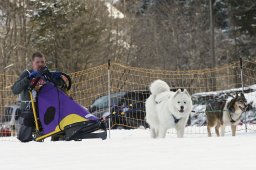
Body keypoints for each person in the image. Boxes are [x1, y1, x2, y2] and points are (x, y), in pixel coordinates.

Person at [11, 52, 68, 142]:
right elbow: (15, 90)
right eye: (38, 62)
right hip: (29, 108)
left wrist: (61, 80)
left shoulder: (47, 74)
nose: (40, 64)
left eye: (42, 62)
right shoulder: (27, 73)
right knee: (29, 117)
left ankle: (59, 139)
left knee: (62, 110)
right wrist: (28, 78)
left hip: (46, 107)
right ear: (32, 63)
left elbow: (56, 87)